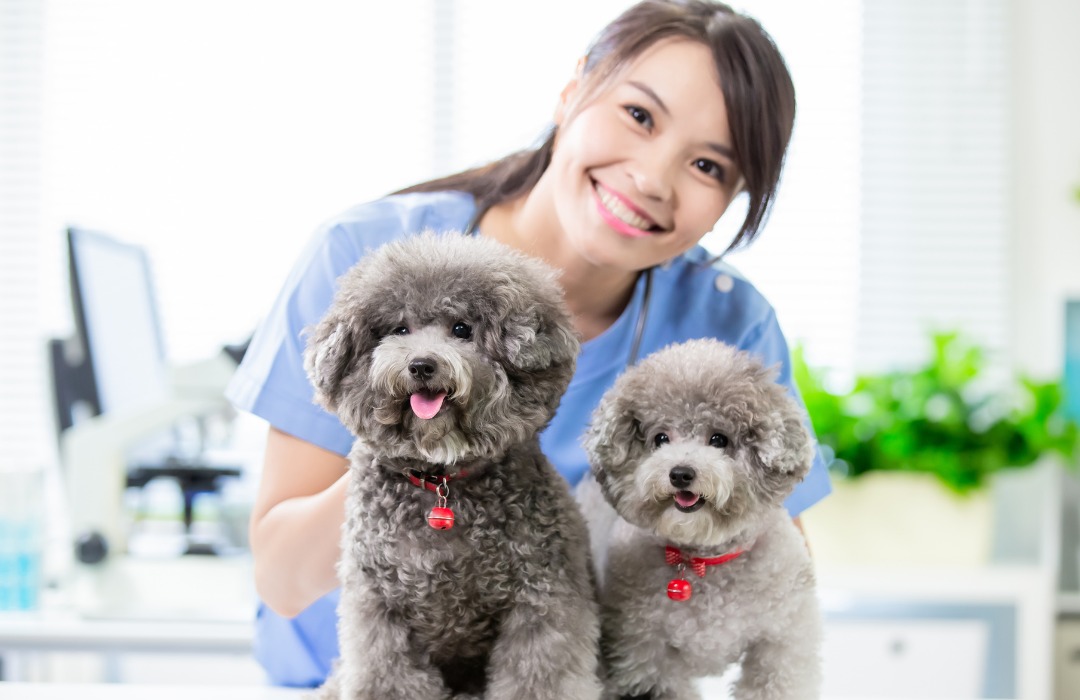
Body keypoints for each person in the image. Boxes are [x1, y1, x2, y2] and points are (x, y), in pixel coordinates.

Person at [226, 0, 832, 687]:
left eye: (707, 166)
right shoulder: (363, 258)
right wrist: (425, 452)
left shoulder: (727, 322)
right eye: (639, 115)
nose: (651, 178)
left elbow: (778, 579)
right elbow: (280, 580)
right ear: (575, 87)